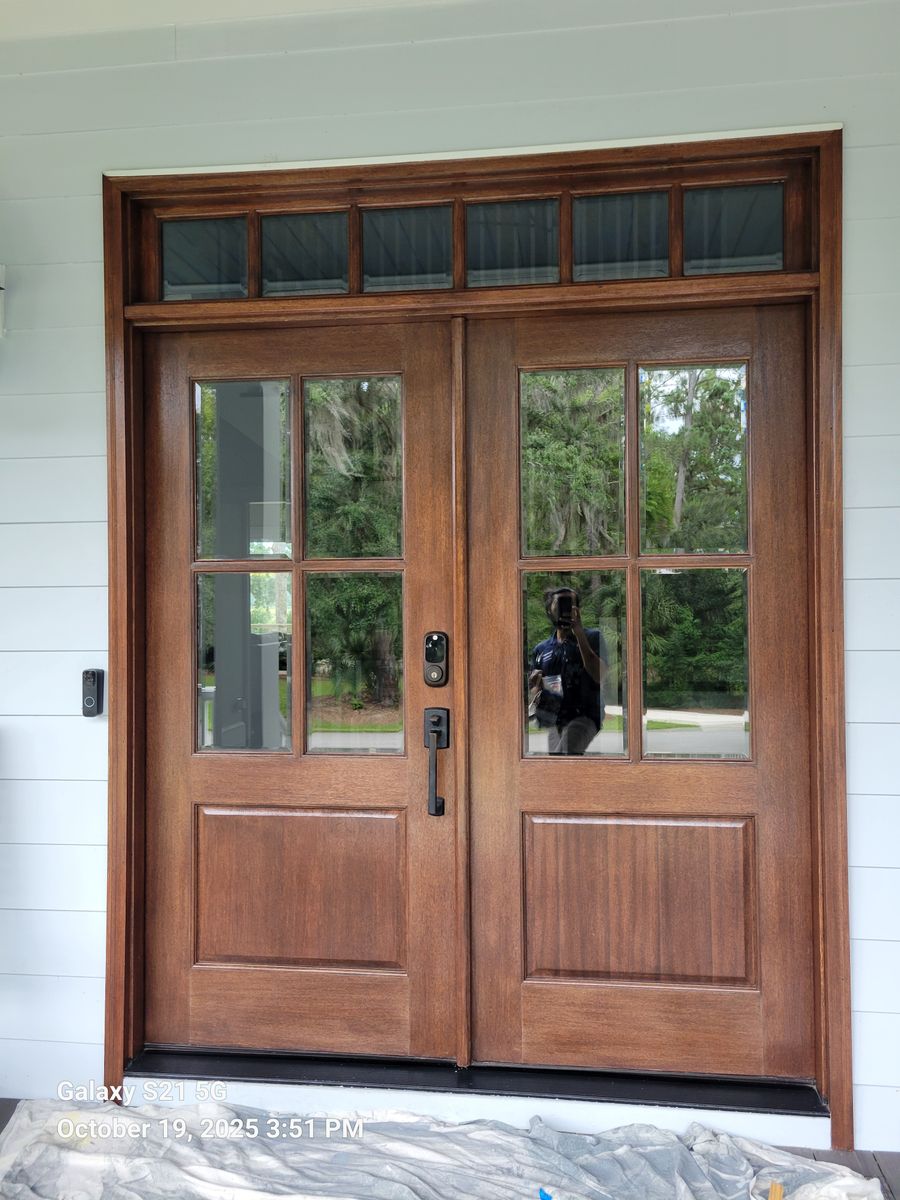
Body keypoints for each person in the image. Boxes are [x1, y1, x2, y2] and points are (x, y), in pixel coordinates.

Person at [529, 586, 609, 755]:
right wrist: (535, 685)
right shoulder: (541, 649)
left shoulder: (593, 638)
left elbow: (599, 675)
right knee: (558, 763)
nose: (565, 609)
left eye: (570, 603)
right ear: (549, 610)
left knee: (564, 756)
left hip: (585, 715)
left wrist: (579, 633)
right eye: (560, 604)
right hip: (554, 717)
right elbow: (535, 690)